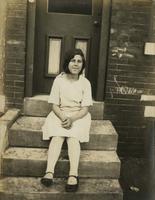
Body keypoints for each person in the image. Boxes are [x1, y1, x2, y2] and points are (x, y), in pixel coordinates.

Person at [41, 48, 93, 192]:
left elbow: (85, 109)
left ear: (82, 64)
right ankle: (49, 172)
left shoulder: (85, 83)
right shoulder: (59, 80)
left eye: (79, 61)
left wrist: (72, 119)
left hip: (78, 116)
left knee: (73, 138)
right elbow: (54, 105)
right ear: (67, 63)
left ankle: (73, 175)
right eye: (73, 61)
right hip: (60, 114)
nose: (76, 64)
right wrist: (64, 117)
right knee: (57, 136)